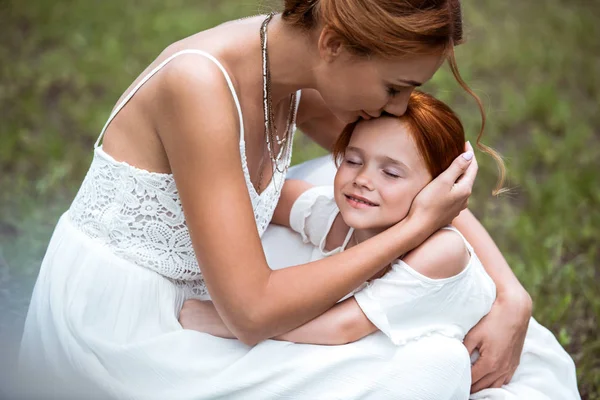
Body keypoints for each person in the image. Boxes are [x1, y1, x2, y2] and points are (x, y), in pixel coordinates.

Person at [19, 1, 534, 398]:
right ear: (333, 44)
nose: (395, 108)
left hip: (214, 284)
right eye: (394, 87)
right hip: (125, 327)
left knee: (365, 194)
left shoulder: (290, 70)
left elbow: (418, 190)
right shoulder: (198, 86)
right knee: (431, 366)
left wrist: (512, 296)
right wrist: (411, 231)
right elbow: (251, 313)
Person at [182, 91, 581, 399]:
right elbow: (273, 198)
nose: (363, 179)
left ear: (437, 190)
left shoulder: (441, 251)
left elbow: (343, 327)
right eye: (353, 161)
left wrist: (226, 321)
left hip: (482, 377)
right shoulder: (341, 221)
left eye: (391, 172)